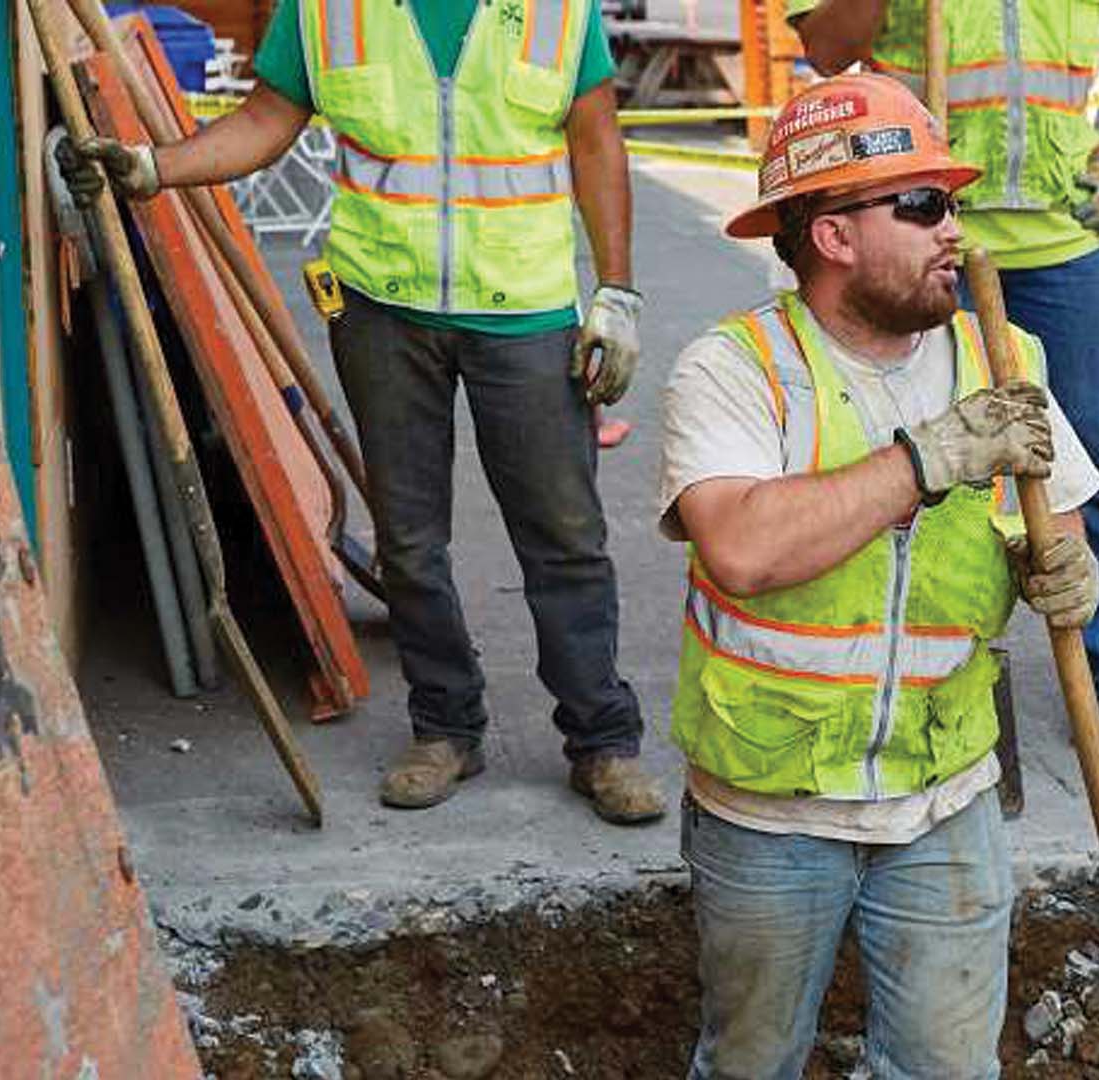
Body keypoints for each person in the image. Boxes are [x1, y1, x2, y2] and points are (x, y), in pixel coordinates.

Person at [59, 0, 667, 822]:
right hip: (382, 305)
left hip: (525, 309)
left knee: (563, 537)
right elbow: (268, 118)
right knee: (412, 540)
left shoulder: (559, 9)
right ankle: (445, 727)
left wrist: (618, 291)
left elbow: (596, 140)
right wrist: (154, 166)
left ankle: (602, 741)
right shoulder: (326, 8)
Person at [660, 75, 1099, 1078]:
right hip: (772, 806)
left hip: (944, 796)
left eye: (951, 203)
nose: (954, 229)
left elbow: (1056, 527)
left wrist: (1065, 572)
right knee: (750, 1063)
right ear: (833, 234)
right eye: (924, 206)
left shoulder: (1004, 353)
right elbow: (742, 548)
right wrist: (926, 460)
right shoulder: (737, 370)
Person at [792, 0, 1099, 780]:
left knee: (1096, 473)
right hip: (924, 234)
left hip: (1057, 240)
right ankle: (909, 681)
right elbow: (826, 47)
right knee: (914, 469)